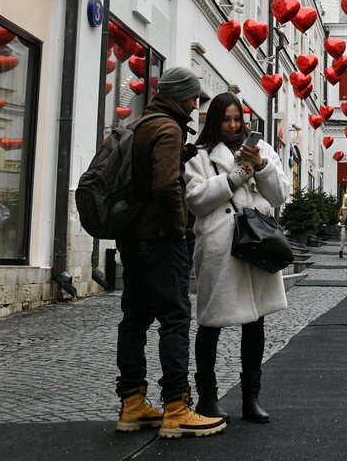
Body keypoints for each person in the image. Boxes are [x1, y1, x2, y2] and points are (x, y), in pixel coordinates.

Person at [115, 67, 227, 439]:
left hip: (133, 237)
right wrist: (179, 230)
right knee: (176, 319)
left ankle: (132, 404)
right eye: (194, 97)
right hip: (161, 240)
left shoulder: (143, 123)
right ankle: (176, 408)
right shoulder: (168, 128)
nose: (197, 104)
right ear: (182, 96)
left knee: (134, 319)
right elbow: (165, 185)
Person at [185, 93, 290, 424]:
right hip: (221, 246)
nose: (233, 125)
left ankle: (251, 398)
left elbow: (280, 194)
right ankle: (207, 397)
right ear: (215, 121)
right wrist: (232, 179)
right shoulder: (199, 156)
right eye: (226, 119)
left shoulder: (263, 151)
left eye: (237, 119)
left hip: (257, 243)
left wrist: (260, 166)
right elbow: (196, 200)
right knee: (210, 322)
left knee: (255, 321)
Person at [337, 193, 347, 259]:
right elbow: (339, 214)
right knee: (342, 238)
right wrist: (341, 218)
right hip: (343, 225)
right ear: (345, 200)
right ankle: (341, 250)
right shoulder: (343, 208)